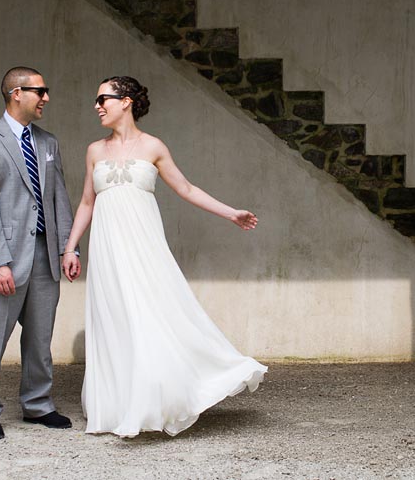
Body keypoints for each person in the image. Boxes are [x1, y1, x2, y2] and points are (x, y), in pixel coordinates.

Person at [64, 76, 267, 437]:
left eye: (103, 99)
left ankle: (164, 398)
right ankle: (120, 407)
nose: (97, 105)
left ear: (125, 101)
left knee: (152, 314)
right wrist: (71, 246)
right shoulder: (95, 150)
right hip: (108, 251)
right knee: (115, 320)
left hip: (144, 248)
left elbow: (186, 188)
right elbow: (86, 202)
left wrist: (230, 213)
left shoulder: (153, 146)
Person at [0, 66, 81, 440]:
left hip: (46, 257)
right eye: (40, 91)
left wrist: (69, 247)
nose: (46, 97)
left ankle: (38, 404)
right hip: (7, 259)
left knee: (39, 336)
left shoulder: (48, 143)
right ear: (17, 93)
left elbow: (59, 197)